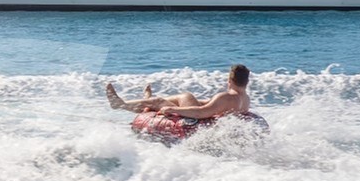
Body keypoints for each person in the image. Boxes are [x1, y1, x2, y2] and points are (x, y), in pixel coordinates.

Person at [106, 64, 253, 121]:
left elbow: (200, 113)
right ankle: (148, 100)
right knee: (187, 98)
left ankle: (119, 104)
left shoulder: (226, 97)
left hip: (197, 123)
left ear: (229, 80)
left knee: (173, 99)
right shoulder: (245, 99)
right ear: (246, 82)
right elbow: (211, 105)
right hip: (209, 122)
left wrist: (173, 109)